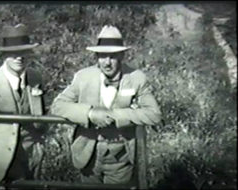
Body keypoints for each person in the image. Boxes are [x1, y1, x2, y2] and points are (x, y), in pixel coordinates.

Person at [51, 25, 161, 185]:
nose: (107, 62)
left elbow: (154, 114)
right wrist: (89, 113)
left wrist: (117, 115)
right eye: (103, 56)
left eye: (113, 56)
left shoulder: (136, 77)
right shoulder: (83, 77)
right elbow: (58, 105)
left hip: (121, 158)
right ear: (96, 56)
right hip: (88, 156)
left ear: (122, 55)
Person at [0, 23, 45, 183]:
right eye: (14, 53)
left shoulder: (35, 78)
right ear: (4, 55)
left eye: (24, 52)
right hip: (2, 161)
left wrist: (40, 145)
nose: (20, 57)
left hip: (32, 158)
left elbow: (43, 113)